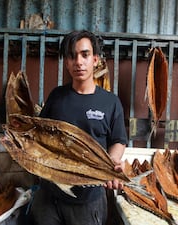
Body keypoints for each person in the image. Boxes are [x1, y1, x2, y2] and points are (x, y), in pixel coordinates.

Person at [28, 30, 128, 225]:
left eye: (85, 54)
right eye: (72, 56)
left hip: (88, 200)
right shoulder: (56, 96)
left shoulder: (110, 102)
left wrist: (111, 163)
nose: (78, 62)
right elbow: (39, 135)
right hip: (49, 196)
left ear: (96, 59)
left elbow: (118, 140)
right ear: (66, 62)